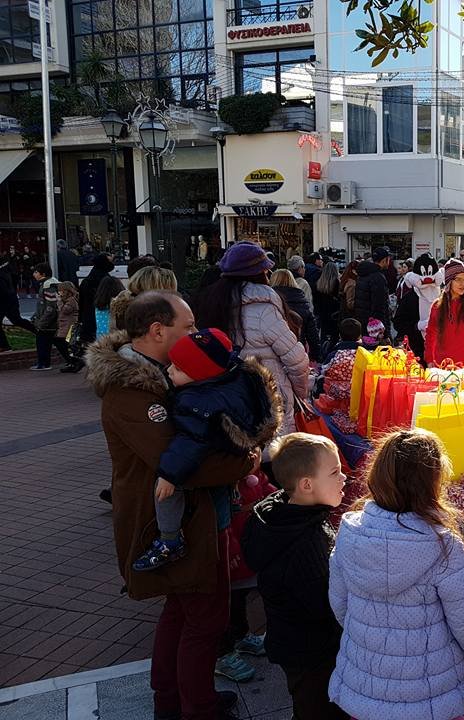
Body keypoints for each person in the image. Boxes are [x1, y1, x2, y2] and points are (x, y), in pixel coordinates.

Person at [85, 292, 253, 720]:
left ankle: (177, 700)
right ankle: (195, 707)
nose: (195, 334)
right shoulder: (133, 390)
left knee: (184, 612)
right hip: (173, 521)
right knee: (204, 619)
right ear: (158, 331)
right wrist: (246, 457)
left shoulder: (161, 376)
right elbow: (180, 466)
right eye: (188, 326)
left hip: (193, 517)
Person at [328, 428, 464, 720]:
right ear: (433, 484)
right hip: (435, 698)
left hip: (363, 691)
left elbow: (340, 606)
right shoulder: (443, 546)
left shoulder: (349, 533)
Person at [132, 328, 282, 572]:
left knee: (167, 492)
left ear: (200, 375)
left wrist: (169, 475)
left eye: (178, 369)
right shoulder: (236, 374)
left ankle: (169, 539)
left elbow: (190, 441)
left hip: (220, 443)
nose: (169, 371)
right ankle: (232, 496)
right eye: (171, 365)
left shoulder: (197, 402)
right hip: (237, 441)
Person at [241, 433, 349, 720]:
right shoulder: (305, 543)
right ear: (306, 485)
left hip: (291, 641)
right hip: (313, 651)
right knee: (318, 710)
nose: (344, 478)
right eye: (335, 472)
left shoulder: (283, 513)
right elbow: (326, 605)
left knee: (305, 704)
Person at [193, 242, 310, 434]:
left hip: (225, 400)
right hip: (268, 399)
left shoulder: (210, 304)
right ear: (260, 272)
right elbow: (296, 360)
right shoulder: (264, 307)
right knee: (274, 456)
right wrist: (299, 394)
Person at [393, 254, 442, 362]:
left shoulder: (444, 297)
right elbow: (398, 323)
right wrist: (417, 326)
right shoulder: (410, 298)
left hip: (442, 350)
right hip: (417, 349)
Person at [270, 269, 323, 362]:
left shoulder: (269, 302)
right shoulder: (301, 301)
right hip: (297, 350)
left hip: (272, 352)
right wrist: (316, 356)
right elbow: (312, 334)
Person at [30, 262, 65, 371]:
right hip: (49, 320)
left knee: (42, 342)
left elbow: (50, 307)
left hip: (48, 321)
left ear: (43, 273)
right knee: (48, 342)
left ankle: (43, 363)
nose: (34, 274)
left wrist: (41, 322)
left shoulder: (48, 285)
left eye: (36, 272)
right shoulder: (47, 284)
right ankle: (45, 363)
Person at [0, 255, 36, 351]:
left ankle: (4, 346)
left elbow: (3, 290)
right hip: (10, 300)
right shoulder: (6, 270)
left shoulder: (3, 273)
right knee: (17, 320)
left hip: (5, 301)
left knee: (17, 320)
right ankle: (39, 332)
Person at [354, 247, 391, 338]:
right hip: (375, 327)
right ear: (384, 260)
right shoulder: (378, 277)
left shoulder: (363, 275)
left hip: (363, 322)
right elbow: (379, 306)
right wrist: (385, 334)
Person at [79, 252, 115, 342]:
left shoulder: (86, 282)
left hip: (89, 320)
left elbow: (81, 304)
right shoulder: (109, 282)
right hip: (105, 321)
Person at [56, 281, 82, 373]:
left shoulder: (71, 300)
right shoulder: (69, 300)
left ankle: (73, 361)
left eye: (61, 291)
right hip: (65, 325)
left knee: (64, 343)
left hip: (69, 325)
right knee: (63, 342)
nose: (59, 292)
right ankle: (71, 361)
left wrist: (59, 302)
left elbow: (65, 310)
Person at [313, 260, 341, 345]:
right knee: (334, 335)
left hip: (322, 313)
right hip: (334, 313)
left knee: (324, 333)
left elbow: (316, 300)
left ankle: (324, 349)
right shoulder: (337, 283)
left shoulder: (319, 283)